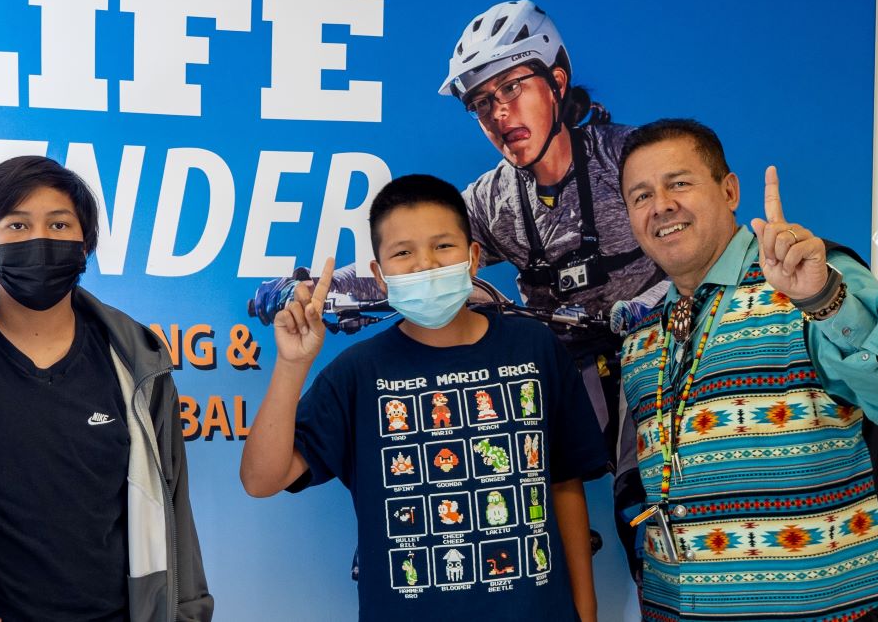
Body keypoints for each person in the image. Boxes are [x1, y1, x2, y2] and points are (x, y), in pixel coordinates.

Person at [252, 2, 668, 556]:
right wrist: (311, 290)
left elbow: (701, 242)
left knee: (648, 516)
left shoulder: (631, 160)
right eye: (482, 103)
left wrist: (658, 299)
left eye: (513, 88)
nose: (500, 113)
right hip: (563, 374)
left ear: (556, 82)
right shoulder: (496, 199)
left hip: (655, 361)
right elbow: (416, 260)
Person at [614, 119, 878, 620]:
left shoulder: (807, 281)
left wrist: (823, 300)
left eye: (679, 183)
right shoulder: (642, 341)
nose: (661, 204)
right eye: (640, 196)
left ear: (730, 191)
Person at [241, 174, 608, 621]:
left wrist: (586, 612)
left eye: (443, 247)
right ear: (378, 275)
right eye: (402, 253)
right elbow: (261, 480)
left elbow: (564, 483)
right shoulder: (358, 373)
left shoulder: (535, 348)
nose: (425, 265)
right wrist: (292, 364)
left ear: (474, 258)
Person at [0, 156, 212, 622]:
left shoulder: (137, 360)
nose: (41, 240)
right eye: (16, 226)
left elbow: (174, 516)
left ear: (85, 245)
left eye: (59, 224)